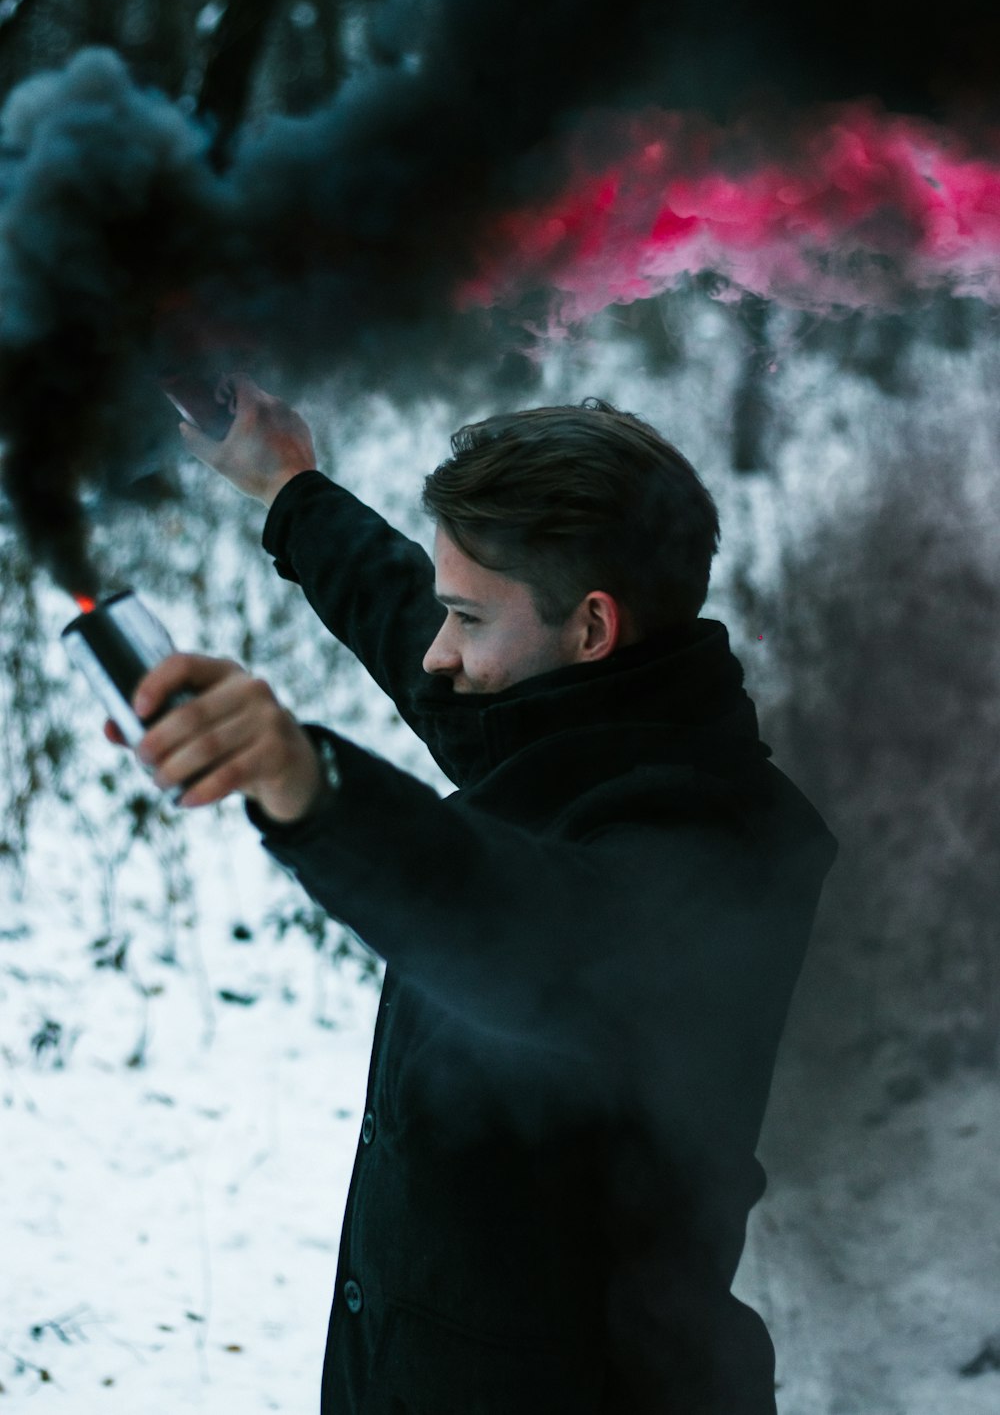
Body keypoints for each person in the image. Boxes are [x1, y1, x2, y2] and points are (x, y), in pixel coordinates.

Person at [121, 374, 837, 1415]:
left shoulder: (707, 854)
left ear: (590, 628)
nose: (436, 651)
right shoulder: (590, 721)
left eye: (466, 615)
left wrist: (307, 784)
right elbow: (418, 633)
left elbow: (512, 922)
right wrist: (290, 489)